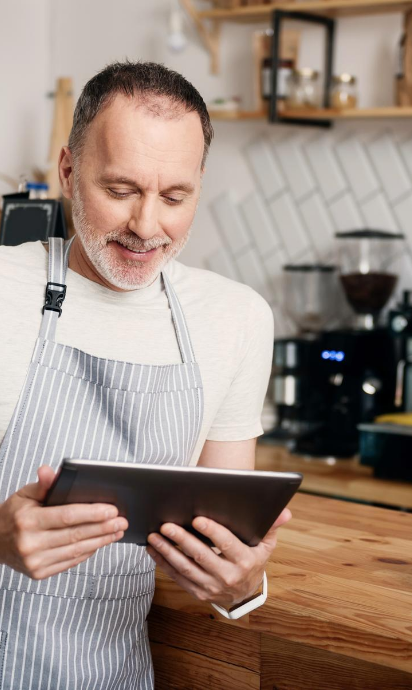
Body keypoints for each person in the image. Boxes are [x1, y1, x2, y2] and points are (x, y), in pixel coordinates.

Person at [0, 60, 290, 688]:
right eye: (122, 190)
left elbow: (216, 540)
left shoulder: (235, 320)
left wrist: (240, 582)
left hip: (114, 671)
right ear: (70, 170)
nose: (147, 225)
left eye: (175, 197)